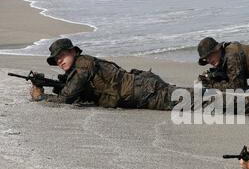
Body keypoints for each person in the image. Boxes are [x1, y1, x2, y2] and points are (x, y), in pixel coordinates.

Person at [31, 38, 195, 110]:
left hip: (144, 92)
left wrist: (41, 97)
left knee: (196, 100)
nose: (59, 61)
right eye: (56, 59)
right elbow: (75, 92)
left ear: (73, 52)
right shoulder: (79, 67)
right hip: (142, 87)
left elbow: (66, 98)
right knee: (193, 97)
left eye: (62, 56)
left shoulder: (82, 66)